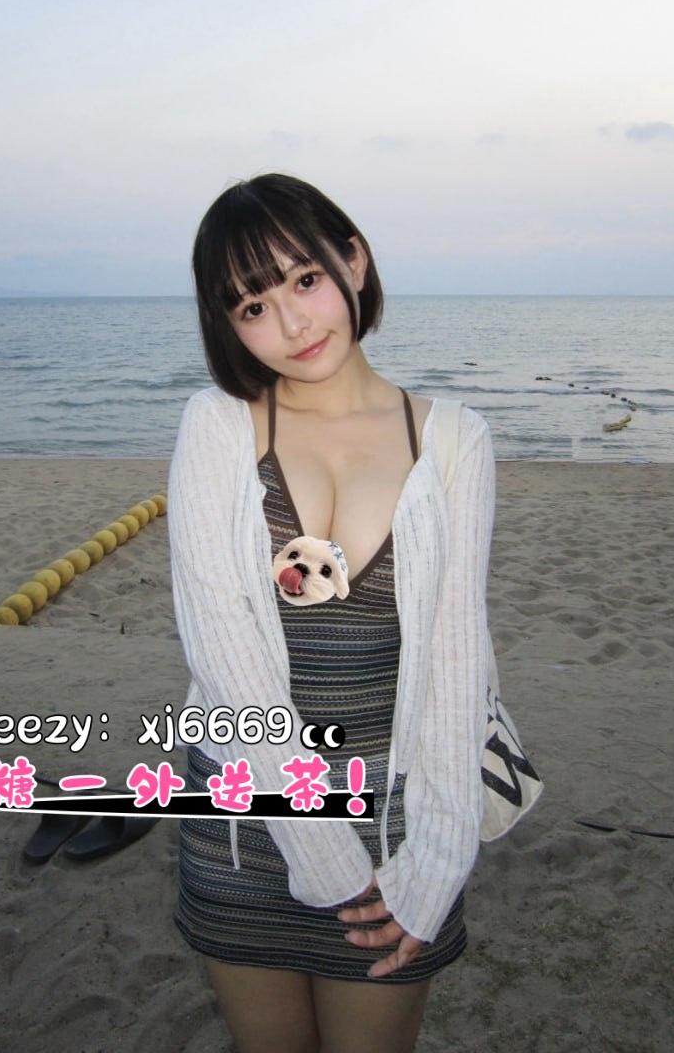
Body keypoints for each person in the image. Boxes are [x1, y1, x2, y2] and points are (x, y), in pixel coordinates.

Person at [167, 174, 495, 1053]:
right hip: (241, 822)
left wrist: (437, 862)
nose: (292, 323)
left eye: (304, 279)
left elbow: (458, 663)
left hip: (395, 824)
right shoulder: (218, 425)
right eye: (252, 305)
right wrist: (323, 854)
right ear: (228, 325)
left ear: (353, 260)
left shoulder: (453, 439)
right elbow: (222, 650)